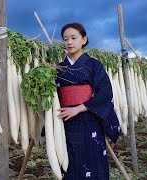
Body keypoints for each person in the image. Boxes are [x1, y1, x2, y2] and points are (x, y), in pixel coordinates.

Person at [56, 22, 121, 179]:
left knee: (93, 160)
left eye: (73, 38)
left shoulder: (94, 65)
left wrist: (78, 108)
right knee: (69, 163)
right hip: (66, 121)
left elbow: (105, 92)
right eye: (65, 39)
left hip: (88, 118)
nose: (69, 42)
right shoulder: (59, 68)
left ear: (84, 40)